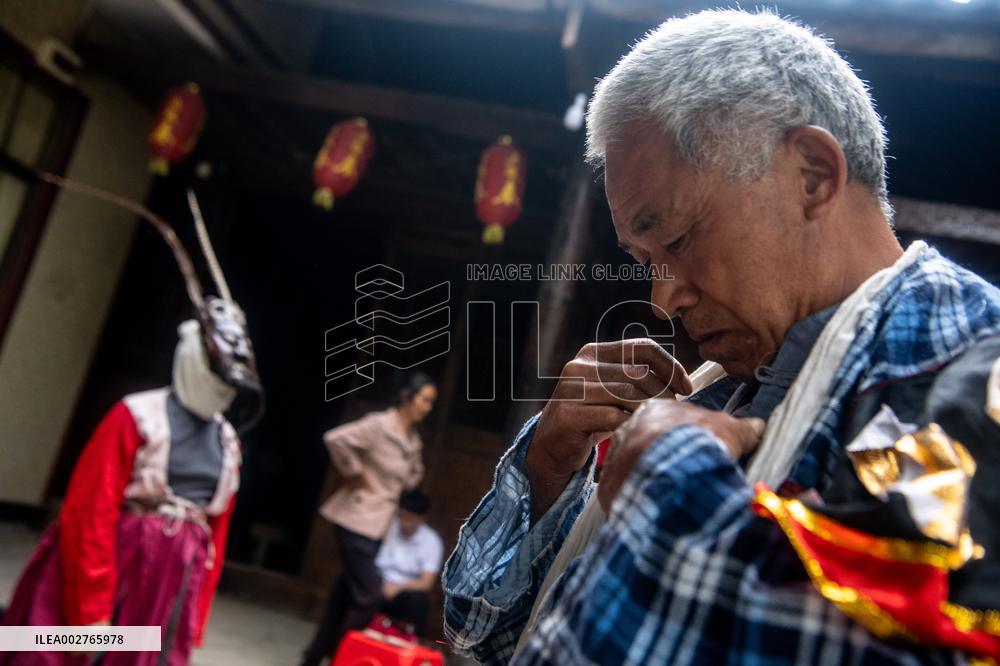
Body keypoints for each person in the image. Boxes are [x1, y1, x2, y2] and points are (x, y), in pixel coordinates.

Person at [443, 9, 1000, 665]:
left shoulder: (968, 355)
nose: (663, 301)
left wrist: (673, 490)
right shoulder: (714, 394)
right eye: (645, 260)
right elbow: (479, 638)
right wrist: (547, 469)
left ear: (813, 174)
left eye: (678, 240)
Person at [1, 184, 264, 666]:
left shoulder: (228, 441)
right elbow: (89, 512)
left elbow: (215, 532)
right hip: (114, 564)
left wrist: (195, 613)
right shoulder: (137, 415)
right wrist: (91, 610)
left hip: (169, 582)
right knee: (57, 649)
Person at [301, 372, 437, 666]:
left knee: (344, 597)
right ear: (406, 396)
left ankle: (312, 658)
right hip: (357, 518)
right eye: (424, 400)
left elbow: (410, 480)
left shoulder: (412, 439)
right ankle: (343, 658)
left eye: (431, 402)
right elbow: (335, 439)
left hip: (378, 526)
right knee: (369, 597)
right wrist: (356, 473)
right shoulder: (379, 425)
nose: (428, 407)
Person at [374, 490, 444, 635]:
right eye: (403, 517)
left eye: (410, 519)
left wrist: (397, 588)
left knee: (418, 600)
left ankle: (409, 639)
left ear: (421, 518)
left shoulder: (432, 541)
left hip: (403, 590)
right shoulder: (387, 526)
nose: (405, 523)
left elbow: (426, 582)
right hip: (376, 582)